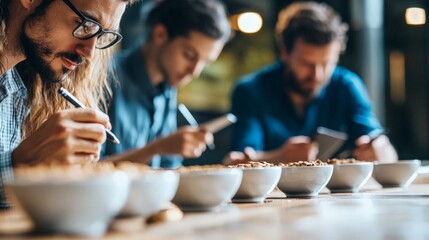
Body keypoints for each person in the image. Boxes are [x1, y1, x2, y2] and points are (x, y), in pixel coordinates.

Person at [0, 0, 138, 208]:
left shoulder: (22, 86)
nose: (90, 53)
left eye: (101, 35)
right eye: (85, 24)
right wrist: (17, 168)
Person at [225, 2, 398, 165]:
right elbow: (235, 162)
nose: (317, 75)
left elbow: (383, 149)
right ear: (285, 52)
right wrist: (280, 157)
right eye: (307, 64)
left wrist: (382, 152)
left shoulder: (347, 86)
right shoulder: (251, 91)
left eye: (326, 64)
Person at [102, 0, 231, 168]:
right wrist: (158, 148)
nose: (195, 71)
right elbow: (84, 171)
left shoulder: (167, 87)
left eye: (205, 62)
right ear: (160, 34)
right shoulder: (105, 77)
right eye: (190, 55)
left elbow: (169, 167)